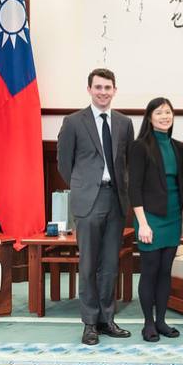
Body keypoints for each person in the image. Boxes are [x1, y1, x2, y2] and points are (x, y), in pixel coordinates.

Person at [57, 68, 134, 345]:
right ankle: (89, 322)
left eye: (108, 87)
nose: (103, 92)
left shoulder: (124, 123)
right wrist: (84, 185)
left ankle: (106, 319)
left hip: (116, 199)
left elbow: (126, 162)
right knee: (89, 263)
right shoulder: (74, 121)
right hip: (88, 200)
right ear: (89, 89)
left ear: (115, 90)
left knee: (110, 264)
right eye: (98, 87)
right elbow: (64, 163)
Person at [129, 97, 183, 342]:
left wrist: (182, 219)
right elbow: (134, 188)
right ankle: (148, 323)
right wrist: (142, 223)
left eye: (168, 112)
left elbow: (179, 187)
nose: (164, 116)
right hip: (149, 218)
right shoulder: (140, 146)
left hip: (173, 217)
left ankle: (161, 321)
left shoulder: (177, 147)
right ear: (150, 117)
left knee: (165, 272)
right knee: (150, 271)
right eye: (159, 112)